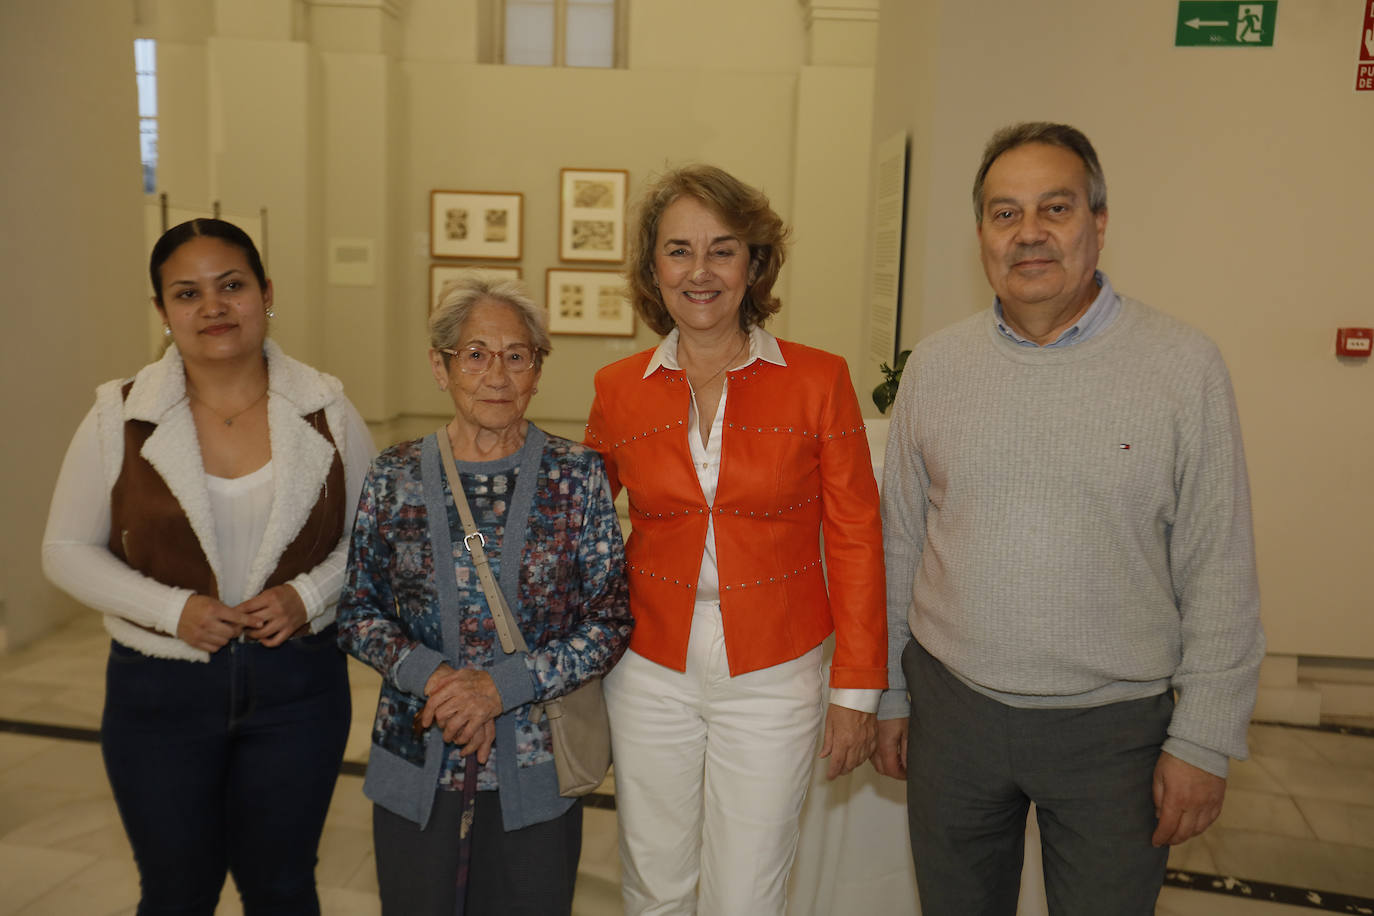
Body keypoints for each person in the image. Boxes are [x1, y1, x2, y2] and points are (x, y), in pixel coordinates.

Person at [872, 122, 1265, 915]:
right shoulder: (938, 367)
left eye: (1055, 208)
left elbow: (1219, 565)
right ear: (981, 232)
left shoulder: (1183, 367)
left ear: (1099, 221)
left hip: (1114, 736)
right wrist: (890, 694)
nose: (1030, 234)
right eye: (1004, 213)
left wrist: (1204, 739)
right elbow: (900, 544)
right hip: (955, 717)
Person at [41, 217, 375, 914]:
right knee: (175, 891)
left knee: (282, 887)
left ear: (266, 293)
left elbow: (372, 543)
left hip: (298, 689)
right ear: (163, 312)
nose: (213, 307)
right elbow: (66, 550)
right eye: (187, 294)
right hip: (158, 693)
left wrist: (307, 595)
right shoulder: (118, 415)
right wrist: (174, 611)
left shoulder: (328, 409)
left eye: (232, 286)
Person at [584, 164, 887, 916]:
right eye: (678, 250)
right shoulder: (618, 387)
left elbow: (855, 536)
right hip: (649, 666)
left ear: (755, 264)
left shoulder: (819, 381)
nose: (700, 271)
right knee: (655, 884)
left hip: (775, 673)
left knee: (747, 893)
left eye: (722, 249)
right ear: (653, 270)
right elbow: (579, 527)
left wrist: (856, 689)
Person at [337, 276, 632, 916]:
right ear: (441, 368)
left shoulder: (576, 475)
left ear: (537, 371)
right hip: (416, 751)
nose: (496, 374)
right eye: (475, 354)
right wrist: (437, 679)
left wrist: (503, 687)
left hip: (537, 763)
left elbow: (609, 622)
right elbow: (357, 611)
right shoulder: (394, 474)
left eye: (516, 355)